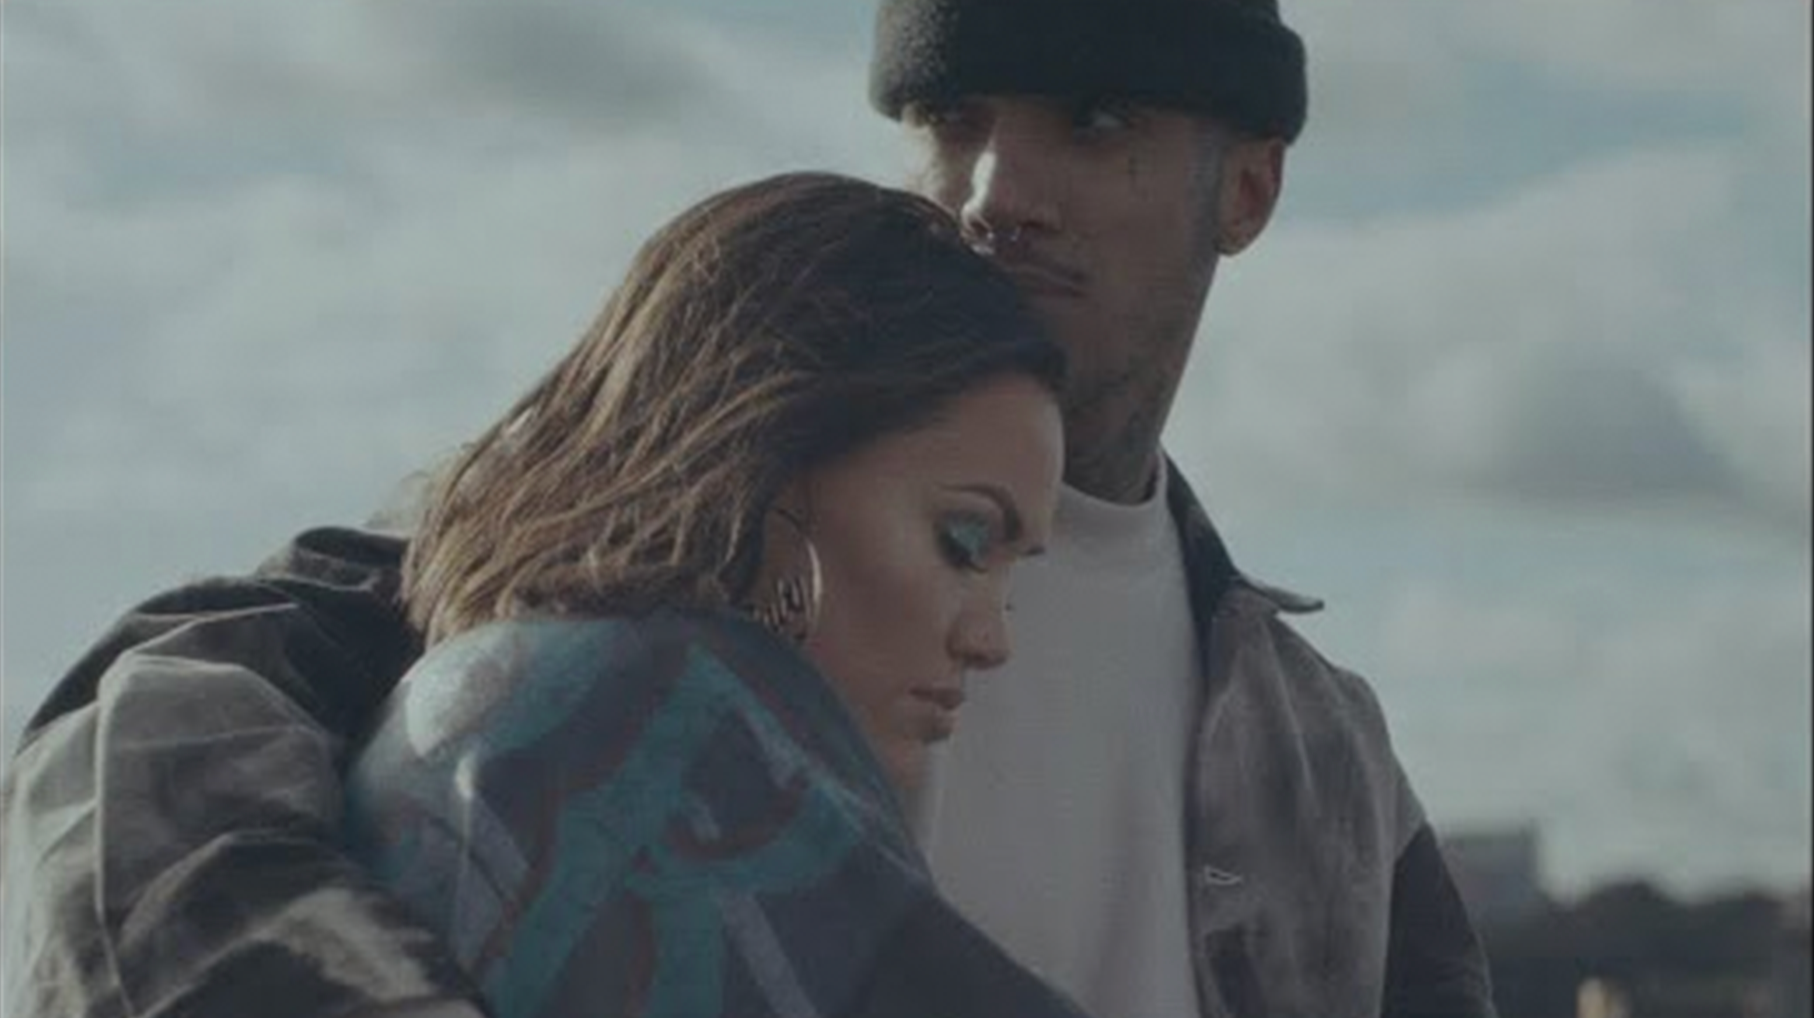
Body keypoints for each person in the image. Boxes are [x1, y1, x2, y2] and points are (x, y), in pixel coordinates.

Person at [3, 1, 1499, 1016]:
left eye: (1094, 119)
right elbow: (128, 767)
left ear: (1244, 192)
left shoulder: (1326, 763)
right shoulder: (594, 562)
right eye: (951, 113)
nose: (996, 187)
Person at [346, 171, 1087, 1017]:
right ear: (767, 463)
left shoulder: (487, 694)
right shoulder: (636, 726)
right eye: (965, 542)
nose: (992, 641)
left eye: (1011, 579)